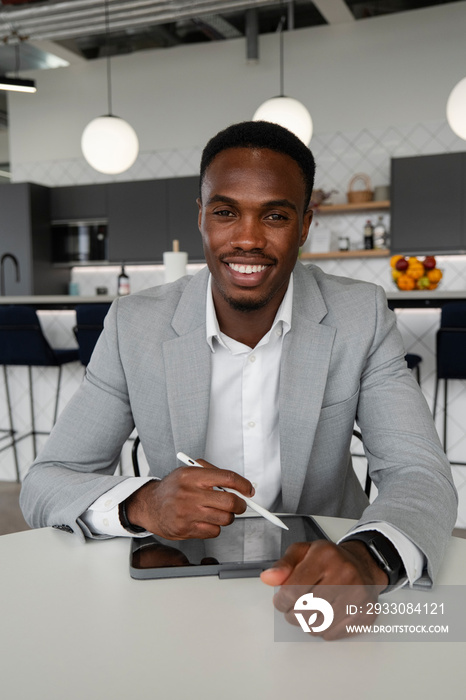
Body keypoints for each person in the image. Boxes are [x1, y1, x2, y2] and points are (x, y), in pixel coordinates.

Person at [20, 121, 456, 638]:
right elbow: (48, 481)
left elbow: (420, 474)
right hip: (178, 585)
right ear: (201, 217)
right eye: (226, 212)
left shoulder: (359, 315)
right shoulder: (134, 324)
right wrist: (144, 502)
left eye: (275, 215)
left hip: (329, 569)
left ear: (305, 224)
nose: (248, 239)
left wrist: (368, 558)